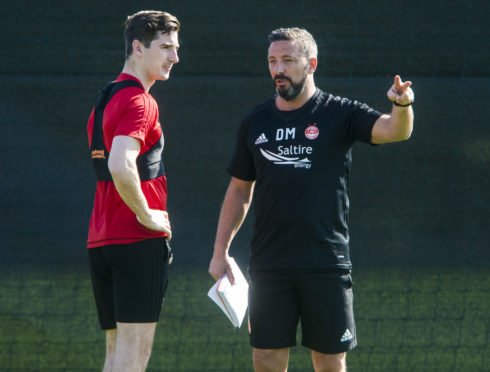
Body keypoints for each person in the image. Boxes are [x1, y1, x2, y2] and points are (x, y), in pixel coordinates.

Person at [209, 27, 414, 372]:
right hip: (270, 264)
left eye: (288, 60)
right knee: (265, 358)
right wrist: (220, 252)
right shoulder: (255, 122)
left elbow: (396, 130)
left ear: (311, 64)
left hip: (326, 262)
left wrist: (402, 104)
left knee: (330, 362)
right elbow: (239, 190)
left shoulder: (340, 113)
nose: (278, 69)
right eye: (273, 61)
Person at [86, 10, 180, 372]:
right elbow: (119, 164)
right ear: (138, 48)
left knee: (114, 357)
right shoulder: (141, 101)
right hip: (136, 241)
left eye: (176, 48)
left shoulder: (105, 97)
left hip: (102, 242)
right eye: (166, 47)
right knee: (132, 360)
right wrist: (147, 215)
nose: (175, 57)